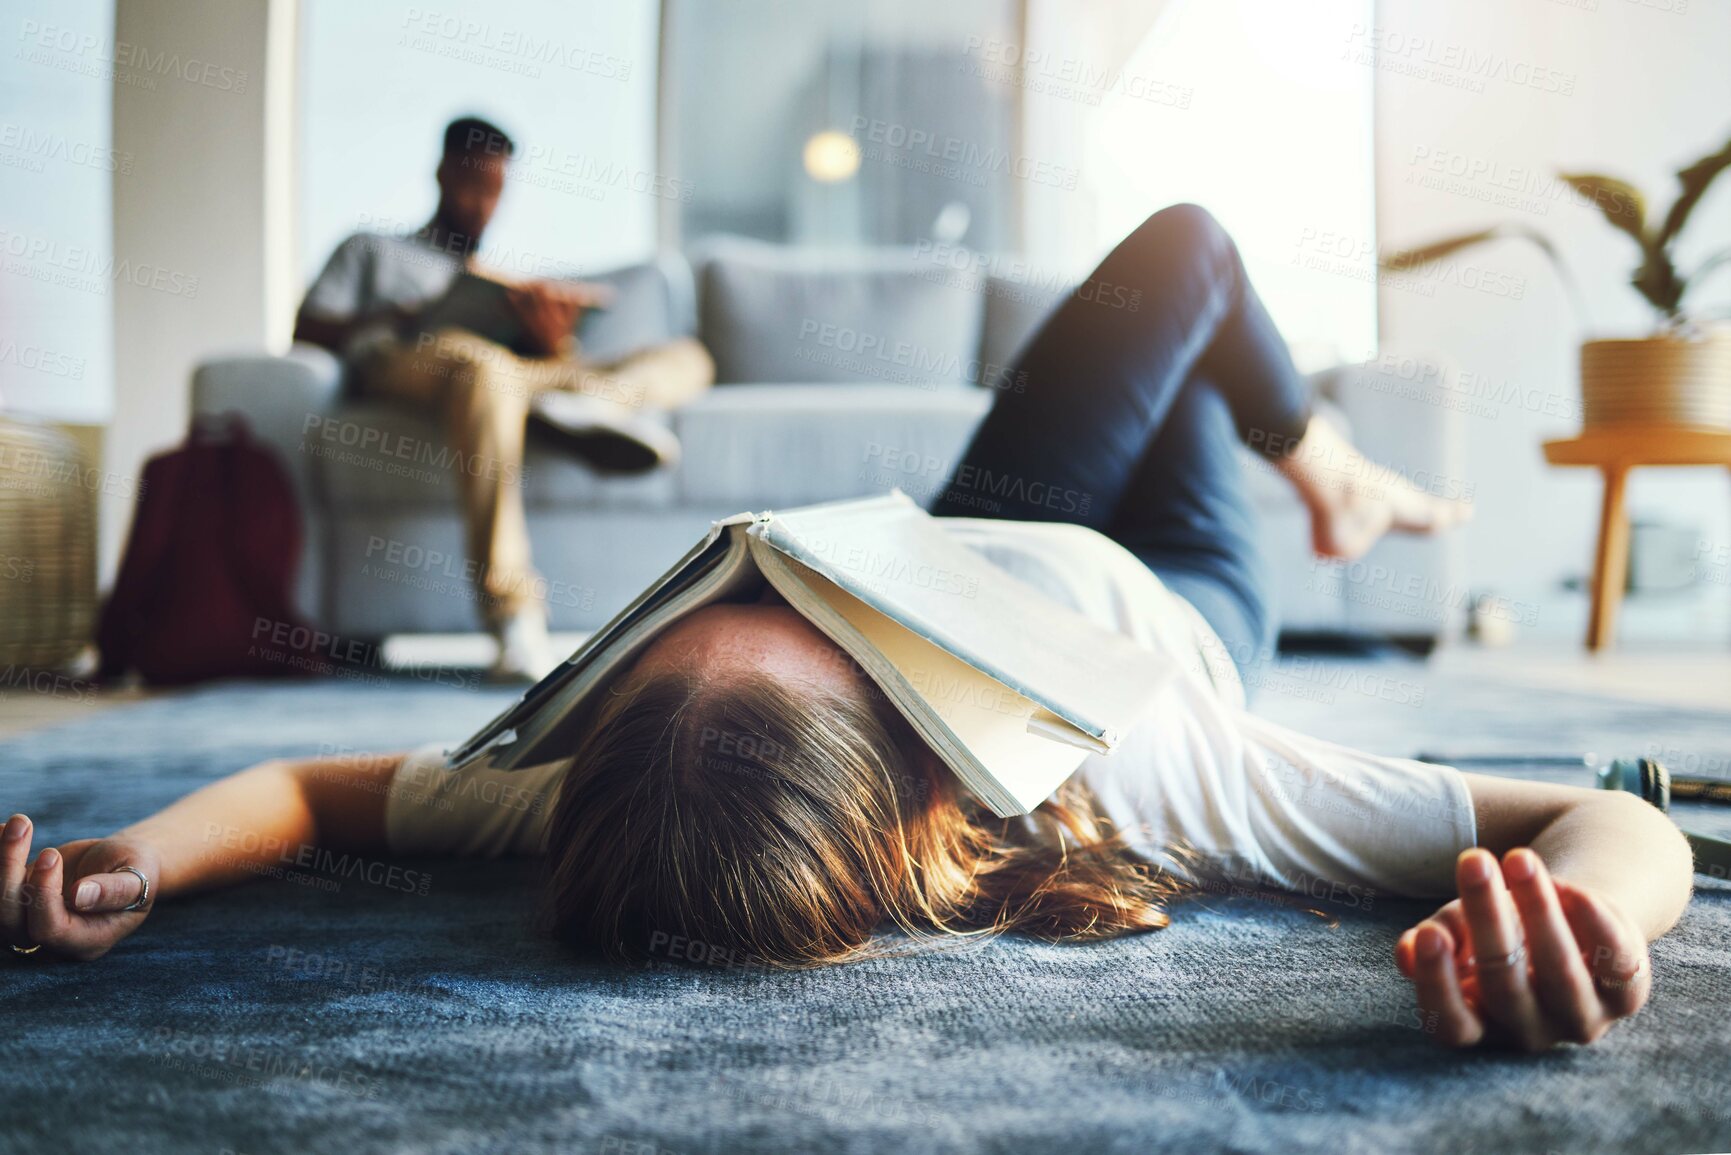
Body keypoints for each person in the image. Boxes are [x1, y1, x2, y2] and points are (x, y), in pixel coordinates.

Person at [5, 206, 1692, 1054]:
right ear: (938, 780)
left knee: (1180, 261)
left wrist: (135, 861)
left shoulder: (596, 762)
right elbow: (1604, 817)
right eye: (832, 625)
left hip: (976, 516)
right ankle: (1325, 483)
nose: (753, 575)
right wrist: (1591, 925)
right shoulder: (1164, 773)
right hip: (1166, 585)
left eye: (751, 589)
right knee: (1190, 254)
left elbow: (303, 796)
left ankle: (1327, 465)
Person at [292, 116, 716, 679]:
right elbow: (308, 329)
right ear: (442, 173)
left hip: (507, 374)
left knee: (689, 357)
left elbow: (526, 356)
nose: (480, 205)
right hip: (410, 360)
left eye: (493, 193)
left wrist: (551, 341)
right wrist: (411, 315)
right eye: (470, 187)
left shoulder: (497, 275)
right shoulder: (372, 249)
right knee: (484, 367)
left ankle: (598, 403)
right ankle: (513, 615)